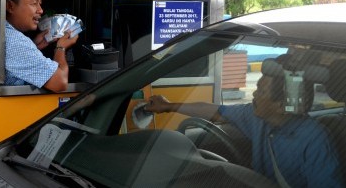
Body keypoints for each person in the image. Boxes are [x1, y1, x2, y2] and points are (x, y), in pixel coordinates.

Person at [144, 59, 343, 188]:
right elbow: (215, 111)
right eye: (257, 88)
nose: (254, 94)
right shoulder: (256, 116)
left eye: (261, 92)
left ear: (282, 105)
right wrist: (168, 106)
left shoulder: (314, 140)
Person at [5, 0, 78, 92]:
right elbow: (60, 83)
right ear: (10, 6)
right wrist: (61, 47)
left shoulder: (4, 33)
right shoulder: (15, 41)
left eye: (40, 4)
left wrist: (34, 46)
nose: (40, 10)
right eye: (34, 3)